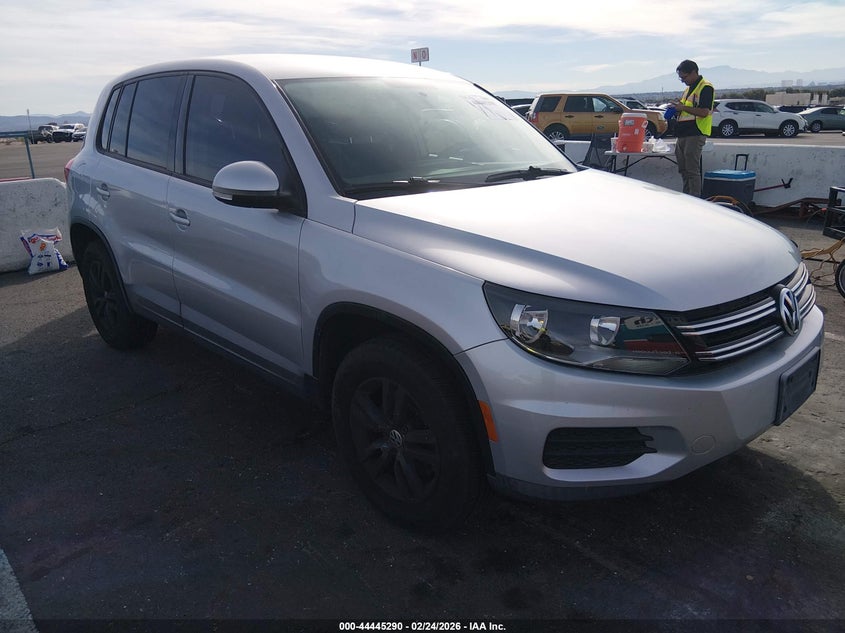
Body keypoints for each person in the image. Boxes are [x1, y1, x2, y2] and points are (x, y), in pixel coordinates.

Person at [670, 60, 714, 197]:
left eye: (684, 77)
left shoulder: (705, 87)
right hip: (683, 132)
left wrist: (682, 107)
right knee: (683, 169)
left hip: (696, 132)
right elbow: (686, 109)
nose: (683, 81)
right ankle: (686, 196)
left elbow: (704, 112)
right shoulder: (688, 89)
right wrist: (677, 108)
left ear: (694, 72)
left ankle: (695, 198)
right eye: (681, 78)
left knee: (692, 170)